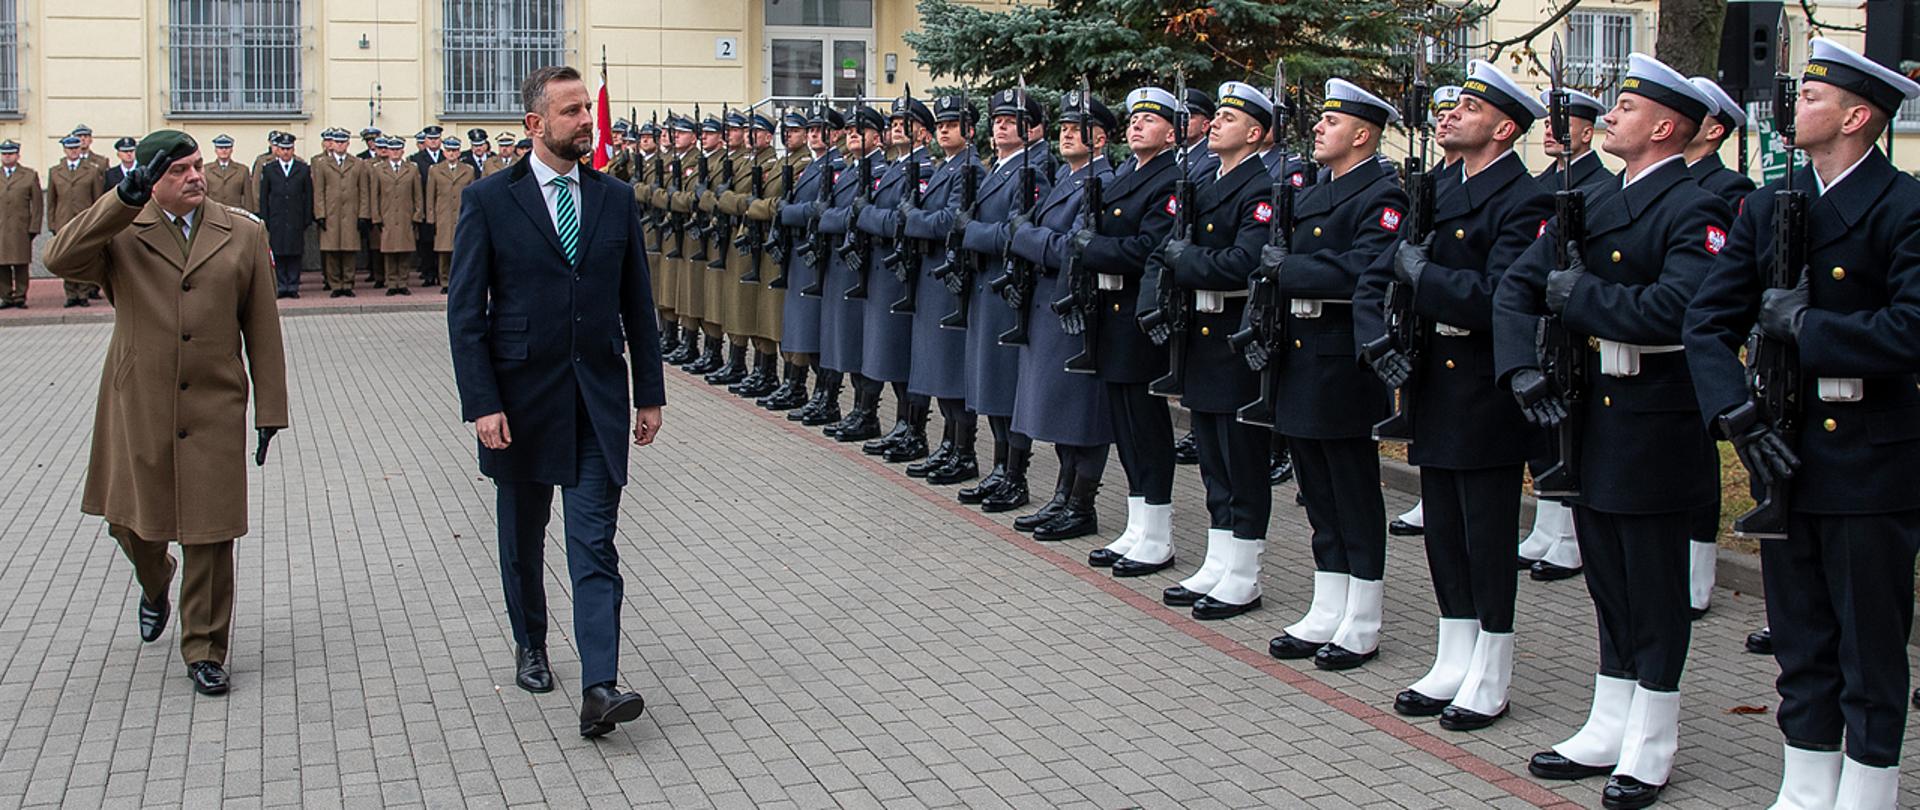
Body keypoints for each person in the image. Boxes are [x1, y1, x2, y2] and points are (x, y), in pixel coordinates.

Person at [1684, 38, 1920, 808]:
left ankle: (1870, 789)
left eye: (1814, 99)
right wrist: (1736, 412)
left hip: (1870, 460)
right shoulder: (1771, 205)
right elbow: (1706, 320)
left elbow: (1910, 332)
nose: (1795, 110)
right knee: (1801, 640)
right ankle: (1807, 781)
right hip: (1782, 451)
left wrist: (1807, 326)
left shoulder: (1903, 207)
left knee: (1870, 645)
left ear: (1858, 117)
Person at [1495, 53, 1730, 809]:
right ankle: (1609, 719)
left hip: (1658, 416)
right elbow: (1518, 286)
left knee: (1654, 587)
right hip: (1591, 411)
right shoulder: (1591, 201)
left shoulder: (1696, 207)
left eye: (1625, 111)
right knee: (1608, 581)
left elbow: (1679, 312)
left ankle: (1652, 740)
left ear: (1665, 127)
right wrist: (1519, 369)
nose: (1608, 120)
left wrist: (1581, 296)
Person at [447, 64, 665, 740]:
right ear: (535, 124)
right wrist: (482, 403)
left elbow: (638, 302)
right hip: (519, 402)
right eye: (572, 112)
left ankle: (600, 685)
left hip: (596, 398)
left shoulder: (614, 196)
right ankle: (531, 643)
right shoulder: (489, 200)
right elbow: (465, 314)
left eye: (587, 110)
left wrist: (649, 393)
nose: (586, 121)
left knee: (594, 544)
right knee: (523, 537)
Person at [43, 129, 288, 697]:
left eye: (197, 166)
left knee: (210, 532)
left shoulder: (242, 232)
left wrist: (269, 408)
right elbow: (59, 258)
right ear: (153, 180)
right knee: (130, 522)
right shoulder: (121, 228)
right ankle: (155, 583)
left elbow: (263, 326)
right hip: (140, 401)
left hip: (215, 399)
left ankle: (204, 648)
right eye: (178, 171)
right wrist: (122, 198)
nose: (195, 177)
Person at [1358, 59, 1553, 729]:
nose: (1449, 115)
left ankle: (1492, 668)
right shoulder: (1435, 186)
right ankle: (1454, 651)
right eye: (1450, 107)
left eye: (1467, 109)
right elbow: (1384, 272)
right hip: (1432, 378)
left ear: (1503, 129)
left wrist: (1426, 274)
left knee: (1486, 532)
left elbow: (1502, 299)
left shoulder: (1526, 200)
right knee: (1442, 524)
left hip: (1483, 381)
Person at [1263, 78, 1407, 671]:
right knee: (1315, 489)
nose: (1319, 128)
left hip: (1345, 356)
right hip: (1301, 350)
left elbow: (1365, 268)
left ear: (1363, 135)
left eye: (1331, 121)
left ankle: (1364, 614)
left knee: (1351, 490)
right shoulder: (1312, 188)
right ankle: (1329, 602)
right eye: (1320, 120)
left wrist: (1290, 269)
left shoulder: (1382, 192)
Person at [1147, 81, 1273, 621]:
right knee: (1214, 461)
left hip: (1233, 335)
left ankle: (1245, 572)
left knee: (1241, 461)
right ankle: (1221, 559)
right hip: (1200, 333)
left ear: (1255, 133)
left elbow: (1246, 261)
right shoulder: (1202, 178)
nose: (1215, 123)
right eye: (1215, 115)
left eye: (1228, 117)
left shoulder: (1259, 187)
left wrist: (1184, 259)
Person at [1001, 89, 1116, 540]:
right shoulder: (1070, 179)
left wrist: (1024, 237)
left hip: (1075, 308)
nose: (1067, 135)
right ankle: (1063, 497)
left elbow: (1072, 246)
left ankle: (1081, 503)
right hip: (1050, 303)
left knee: (1081, 411)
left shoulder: (1098, 181)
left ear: (1101, 140)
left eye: (1079, 130)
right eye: (1064, 128)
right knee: (1061, 410)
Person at [1080, 86, 1181, 575]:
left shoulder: (1171, 180)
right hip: (1111, 315)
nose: (1137, 124)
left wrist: (1092, 247)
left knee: (1147, 426)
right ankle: (1139, 524)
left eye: (1150, 119)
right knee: (1125, 425)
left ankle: (1158, 533)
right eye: (1134, 117)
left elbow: (1148, 247)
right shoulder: (1125, 174)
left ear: (1172, 132)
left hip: (1140, 316)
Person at [1520, 86, 1614, 583]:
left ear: (1586, 131)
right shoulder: (1540, 183)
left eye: (1567, 122)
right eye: (1550, 122)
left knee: (1565, 426)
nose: (1554, 131)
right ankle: (1548, 525)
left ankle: (1569, 536)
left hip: (1572, 318)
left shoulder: (1600, 184)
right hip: (1539, 313)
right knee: (1542, 430)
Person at [959, 89, 1052, 510]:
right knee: (991, 383)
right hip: (986, 284)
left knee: (1006, 383)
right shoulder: (997, 168)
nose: (999, 126)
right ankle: (1000, 468)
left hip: (1007, 288)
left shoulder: (1033, 171)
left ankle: (1015, 474)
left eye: (1010, 120)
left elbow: (1018, 232)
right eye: (996, 119)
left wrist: (970, 231)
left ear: (1032, 130)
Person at [901, 96, 983, 483]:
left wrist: (913, 219)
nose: (944, 130)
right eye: (942, 124)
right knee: (938, 366)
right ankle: (949, 445)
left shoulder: (970, 169)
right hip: (933, 276)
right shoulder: (944, 167)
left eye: (953, 124)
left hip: (950, 280)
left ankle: (963, 450)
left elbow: (952, 221)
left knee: (950, 368)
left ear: (969, 130)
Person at [854, 96, 934, 462]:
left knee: (904, 353)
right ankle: (902, 425)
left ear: (924, 132)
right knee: (892, 351)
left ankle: (913, 428)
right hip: (884, 268)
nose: (898, 126)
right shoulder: (894, 167)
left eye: (908, 121)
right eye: (895, 120)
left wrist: (868, 216)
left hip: (902, 271)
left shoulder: (922, 169)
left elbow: (897, 220)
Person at [816, 106, 889, 442]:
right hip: (843, 263)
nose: (853, 133)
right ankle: (857, 409)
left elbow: (850, 216)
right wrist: (838, 217)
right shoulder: (849, 169)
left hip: (861, 266)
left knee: (860, 339)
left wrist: (838, 217)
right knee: (846, 337)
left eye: (862, 129)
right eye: (849, 130)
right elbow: (828, 216)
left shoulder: (879, 170)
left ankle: (867, 412)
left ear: (878, 135)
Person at [775, 107, 845, 422]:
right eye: (813, 129)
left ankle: (827, 397)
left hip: (819, 257)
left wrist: (787, 211)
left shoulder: (836, 167)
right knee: (809, 329)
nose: (816, 134)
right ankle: (818, 395)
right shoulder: (814, 166)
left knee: (820, 329)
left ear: (836, 134)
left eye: (822, 130)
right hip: (804, 254)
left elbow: (818, 210)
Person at [47, 134, 106, 307]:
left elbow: (97, 198)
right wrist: (51, 223)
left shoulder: (92, 170)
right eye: (69, 149)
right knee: (66, 257)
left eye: (76, 148)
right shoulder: (55, 171)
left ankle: (83, 293)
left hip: (84, 220)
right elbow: (51, 200)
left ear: (80, 149)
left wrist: (97, 220)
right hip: (63, 220)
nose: (73, 152)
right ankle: (71, 293)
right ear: (64, 150)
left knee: (84, 256)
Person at [313, 128, 372, 297]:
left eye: (343, 142)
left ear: (347, 143)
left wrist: (363, 215)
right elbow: (319, 191)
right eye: (337, 142)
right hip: (331, 214)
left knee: (349, 250)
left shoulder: (358, 163)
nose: (339, 145)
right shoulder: (323, 164)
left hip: (351, 214)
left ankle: (348, 283)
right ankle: (335, 285)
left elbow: (363, 191)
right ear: (332, 144)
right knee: (332, 251)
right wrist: (320, 214)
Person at [256, 132, 313, 298]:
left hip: (296, 217)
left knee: (295, 252)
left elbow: (308, 195)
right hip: (277, 218)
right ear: (277, 151)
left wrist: (307, 218)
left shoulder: (302, 169)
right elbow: (264, 195)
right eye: (283, 149)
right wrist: (264, 217)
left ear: (293, 149)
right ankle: (281, 286)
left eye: (289, 149)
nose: (286, 152)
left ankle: (293, 286)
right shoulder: (269, 169)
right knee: (279, 252)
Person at [425, 135, 477, 294]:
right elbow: (430, 195)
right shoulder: (435, 170)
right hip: (443, 215)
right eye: (448, 150)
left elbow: (472, 193)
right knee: (444, 250)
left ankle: (459, 281)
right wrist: (431, 217)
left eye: (455, 150)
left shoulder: (468, 170)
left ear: (459, 152)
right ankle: (445, 281)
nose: (452, 154)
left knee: (461, 250)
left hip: (462, 214)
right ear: (444, 152)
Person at [0, 140, 41, 309]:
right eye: (4, 153)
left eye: (10, 153)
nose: (7, 156)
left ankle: (20, 296)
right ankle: (6, 295)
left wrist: (34, 227)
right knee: (1, 264)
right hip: (1, 227)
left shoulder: (29, 175)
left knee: (21, 263)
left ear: (17, 155)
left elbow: (37, 204)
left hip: (20, 227)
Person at [411, 125, 445, 286]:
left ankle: (442, 274)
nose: (433, 142)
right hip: (425, 204)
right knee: (426, 241)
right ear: (425, 140)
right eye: (430, 139)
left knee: (444, 242)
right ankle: (429, 273)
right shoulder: (416, 159)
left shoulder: (446, 158)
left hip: (443, 207)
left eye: (436, 139)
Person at [202, 135, 252, 211]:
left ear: (232, 150)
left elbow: (248, 197)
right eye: (220, 148)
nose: (224, 150)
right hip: (213, 211)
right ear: (215, 150)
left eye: (227, 148)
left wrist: (249, 214)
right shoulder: (206, 169)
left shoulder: (242, 170)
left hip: (235, 212)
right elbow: (202, 194)